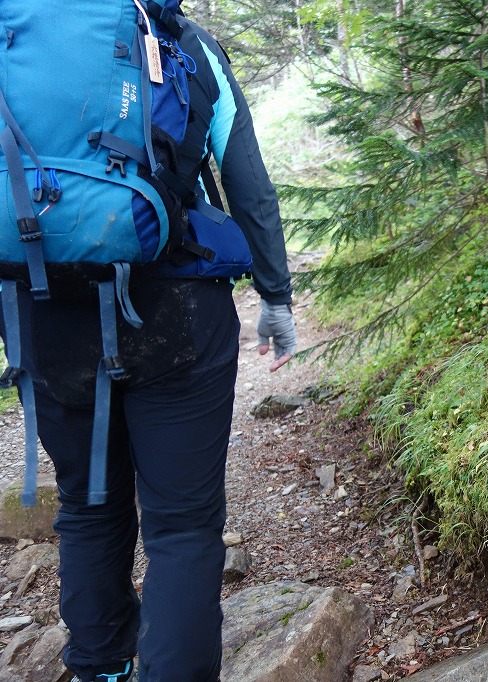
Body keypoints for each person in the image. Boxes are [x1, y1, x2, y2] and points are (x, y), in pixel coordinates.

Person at [0, 2, 297, 681]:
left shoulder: (11, 35)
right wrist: (276, 296)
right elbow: (248, 182)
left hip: (42, 314)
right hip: (177, 309)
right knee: (184, 527)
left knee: (86, 507)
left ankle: (100, 667)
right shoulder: (181, 40)